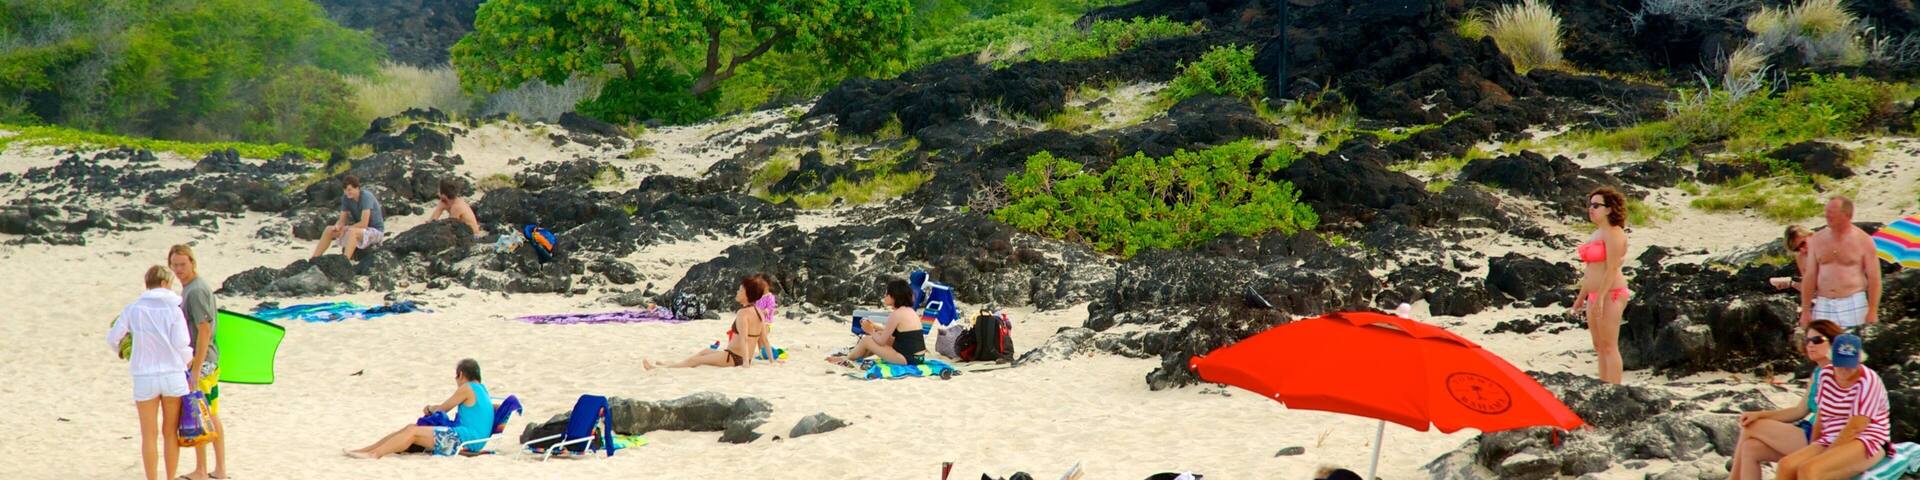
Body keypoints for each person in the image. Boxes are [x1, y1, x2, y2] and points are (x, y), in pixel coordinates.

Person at [1729, 320, 1845, 480]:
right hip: (1807, 430)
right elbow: (1799, 411)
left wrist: (1758, 419)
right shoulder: (1818, 372)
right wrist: (1760, 414)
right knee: (1751, 448)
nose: (1811, 345)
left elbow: (1828, 418)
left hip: (1822, 438)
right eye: (1807, 340)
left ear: (1833, 343)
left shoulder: (1838, 373)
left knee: (1751, 427)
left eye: (1817, 340)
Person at [109, 266, 194, 480]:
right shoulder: (174, 310)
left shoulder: (133, 309)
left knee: (149, 434)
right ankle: (170, 477)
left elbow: (113, 337)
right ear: (166, 284)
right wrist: (187, 361)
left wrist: (127, 352)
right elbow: (181, 342)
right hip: (172, 374)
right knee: (170, 432)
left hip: (144, 375)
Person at [1776, 333, 1892, 479]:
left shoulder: (1868, 381)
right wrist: (1814, 445)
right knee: (1786, 465)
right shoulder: (1826, 375)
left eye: (1848, 365)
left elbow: (1855, 427)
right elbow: (1821, 416)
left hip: (1866, 438)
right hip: (1832, 435)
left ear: (1858, 361)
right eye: (1839, 364)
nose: (1843, 369)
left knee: (1810, 470)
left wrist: (1823, 457)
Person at [347, 359, 494, 459]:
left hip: (464, 440)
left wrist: (430, 408)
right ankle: (366, 450)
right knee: (411, 427)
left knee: (413, 432)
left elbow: (442, 409)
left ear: (461, 375)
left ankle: (374, 454)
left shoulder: (467, 388)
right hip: (473, 440)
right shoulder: (482, 390)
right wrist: (433, 408)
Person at [169, 244, 226, 480]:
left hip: (202, 362)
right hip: (206, 360)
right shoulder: (190, 289)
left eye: (183, 264)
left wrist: (195, 367)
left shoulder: (196, 291)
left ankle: (205, 470)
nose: (179, 270)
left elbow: (204, 330)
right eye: (175, 265)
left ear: (192, 262)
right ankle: (215, 469)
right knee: (209, 413)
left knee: (202, 414)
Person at [645, 277, 768, 369]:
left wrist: (746, 363)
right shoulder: (759, 312)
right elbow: (763, 339)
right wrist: (772, 361)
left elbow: (744, 339)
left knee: (698, 360)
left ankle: (660, 368)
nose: (737, 292)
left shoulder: (743, 313)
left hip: (734, 358)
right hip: (736, 356)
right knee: (705, 351)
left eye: (740, 290)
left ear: (747, 294)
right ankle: (675, 364)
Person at [1574, 187, 1630, 384]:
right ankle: (1603, 385)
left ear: (1609, 209)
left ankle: (1614, 389)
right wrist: (1581, 298)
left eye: (1596, 205)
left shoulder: (1614, 233)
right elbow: (1590, 271)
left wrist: (1602, 297)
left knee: (1609, 345)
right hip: (1594, 295)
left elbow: (1613, 267)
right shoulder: (1596, 233)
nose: (1591, 209)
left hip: (1612, 293)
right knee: (1598, 345)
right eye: (1590, 205)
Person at [1800, 196, 1882, 329]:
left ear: (1847, 215)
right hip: (1824, 302)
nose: (1827, 215)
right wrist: (1805, 310)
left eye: (1832, 211)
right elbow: (1810, 276)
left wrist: (1872, 310)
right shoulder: (1816, 239)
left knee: (1852, 347)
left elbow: (1875, 278)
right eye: (1826, 211)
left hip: (1853, 301)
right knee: (1821, 346)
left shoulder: (1864, 241)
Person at [827, 278, 926, 367]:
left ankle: (847, 359)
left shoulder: (896, 314)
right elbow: (897, 333)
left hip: (907, 359)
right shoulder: (910, 311)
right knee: (878, 334)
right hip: (918, 357)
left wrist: (870, 330)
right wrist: (874, 326)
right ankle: (854, 357)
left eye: (887, 294)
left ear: (894, 296)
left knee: (867, 340)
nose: (885, 296)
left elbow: (881, 342)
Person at [312, 174, 385, 261]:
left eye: (350, 190)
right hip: (359, 230)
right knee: (329, 230)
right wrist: (338, 227)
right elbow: (342, 220)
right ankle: (314, 259)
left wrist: (346, 229)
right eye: (345, 190)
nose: (347, 192)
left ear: (357, 188)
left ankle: (345, 261)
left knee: (352, 231)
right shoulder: (346, 198)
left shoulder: (366, 196)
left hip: (375, 231)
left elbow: (364, 223)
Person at [1769, 225, 1814, 292]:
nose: (1802, 250)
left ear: (1811, 235)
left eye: (1803, 243)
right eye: (1797, 249)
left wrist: (1791, 283)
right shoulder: (1801, 257)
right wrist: (1791, 283)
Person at [751, 273, 779, 362]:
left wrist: (766, 311)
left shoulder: (770, 296)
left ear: (767, 284)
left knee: (763, 338)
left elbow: (771, 307)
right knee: (758, 338)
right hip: (757, 320)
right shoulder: (758, 296)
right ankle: (761, 353)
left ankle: (766, 353)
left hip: (766, 321)